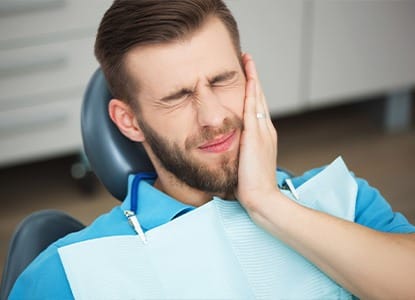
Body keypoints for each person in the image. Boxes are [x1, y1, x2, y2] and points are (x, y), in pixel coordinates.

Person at [9, 0, 415, 299]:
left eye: (222, 80)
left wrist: (268, 205)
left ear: (247, 74)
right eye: (178, 96)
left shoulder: (343, 199)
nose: (213, 116)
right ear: (129, 121)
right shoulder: (70, 274)